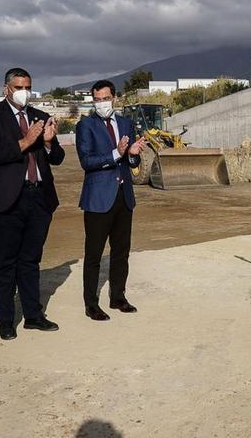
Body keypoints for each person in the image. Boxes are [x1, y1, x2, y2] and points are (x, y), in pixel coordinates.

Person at [0, 68, 64, 341]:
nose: (24, 92)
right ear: (6, 89)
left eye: (28, 86)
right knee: (4, 262)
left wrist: (47, 143)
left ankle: (34, 316)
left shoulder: (40, 116)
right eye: (18, 86)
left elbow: (56, 157)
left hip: (39, 198)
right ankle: (6, 320)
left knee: (30, 260)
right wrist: (26, 141)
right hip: (4, 201)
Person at [76, 80, 146, 321]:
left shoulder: (125, 123)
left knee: (121, 252)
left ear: (114, 98)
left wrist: (133, 156)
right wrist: (116, 153)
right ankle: (91, 304)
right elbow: (86, 161)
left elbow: (132, 163)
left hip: (123, 197)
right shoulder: (85, 125)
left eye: (105, 98)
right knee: (94, 254)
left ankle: (118, 297)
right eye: (97, 99)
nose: (101, 103)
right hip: (98, 199)